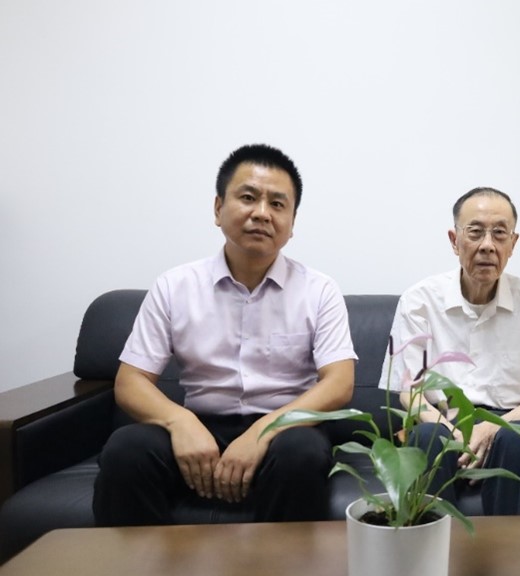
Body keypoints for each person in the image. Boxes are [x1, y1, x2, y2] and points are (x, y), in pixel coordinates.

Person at [93, 144, 357, 526]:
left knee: (301, 454)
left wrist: (263, 432)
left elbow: (339, 383)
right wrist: (180, 422)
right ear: (218, 208)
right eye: (248, 198)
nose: (262, 213)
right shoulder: (175, 286)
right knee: (126, 449)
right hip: (198, 426)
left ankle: (279, 568)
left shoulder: (319, 290)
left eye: (277, 204)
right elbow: (130, 381)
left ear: (292, 223)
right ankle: (144, 567)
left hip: (285, 430)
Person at [380, 187, 520, 515]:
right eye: (475, 232)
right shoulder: (419, 301)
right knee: (427, 436)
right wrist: (455, 432)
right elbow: (410, 393)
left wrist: (490, 428)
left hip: (509, 423)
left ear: (513, 243)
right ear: (454, 240)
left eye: (499, 233)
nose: (487, 245)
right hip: (439, 421)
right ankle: (429, 545)